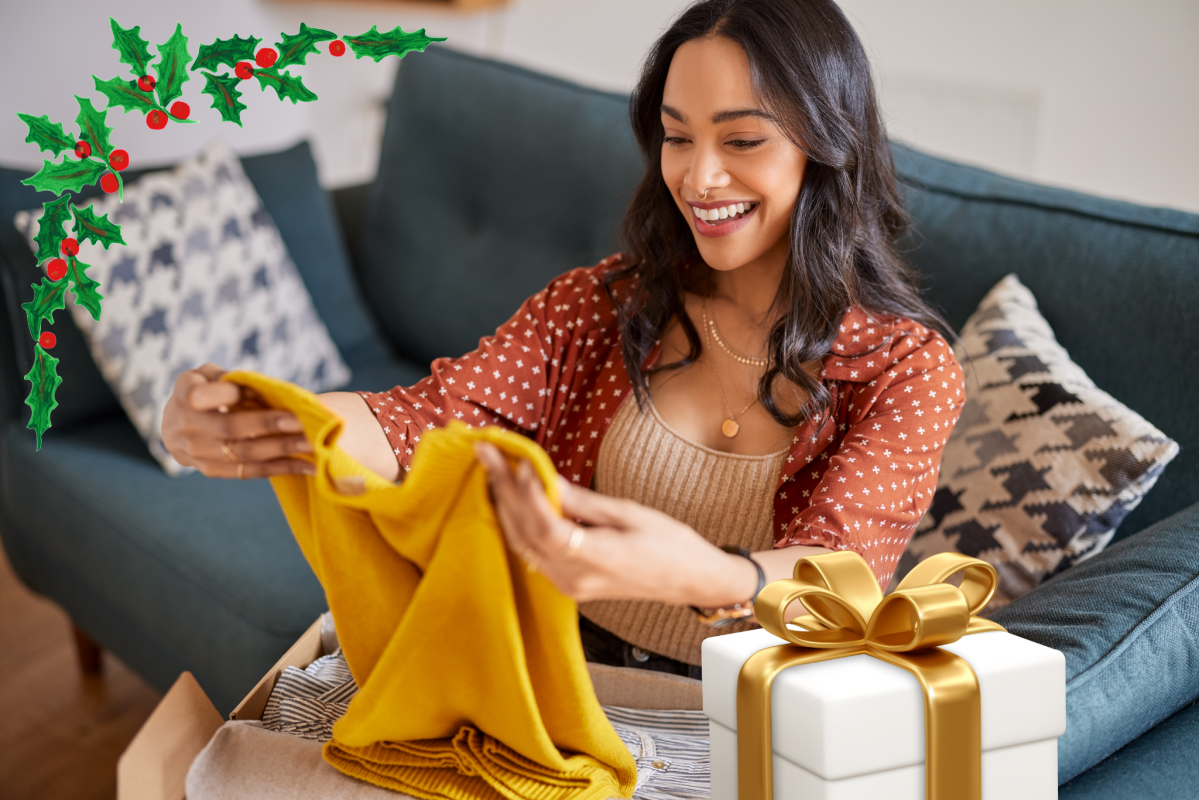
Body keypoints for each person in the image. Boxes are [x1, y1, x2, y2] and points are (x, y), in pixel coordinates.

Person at [162, 0, 965, 679]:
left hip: (750, 718)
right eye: (677, 136)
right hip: (550, 676)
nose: (698, 178)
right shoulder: (601, 306)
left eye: (742, 140)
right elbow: (427, 419)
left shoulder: (904, 371)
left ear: (826, 148)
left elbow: (841, 579)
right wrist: (271, 418)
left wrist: (698, 572)